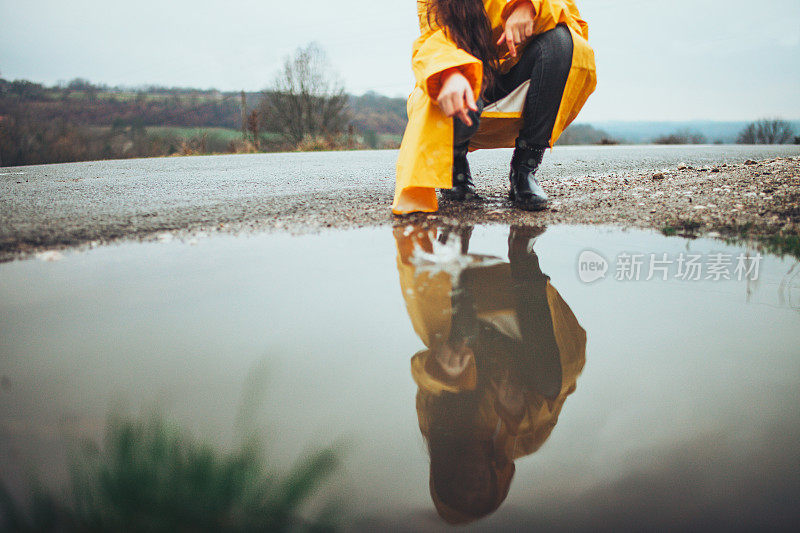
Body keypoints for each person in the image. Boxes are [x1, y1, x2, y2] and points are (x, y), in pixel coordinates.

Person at [394, 224, 587, 523]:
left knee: (448, 339)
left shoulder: (437, 430)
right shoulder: (525, 439)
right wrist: (516, 411)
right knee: (556, 378)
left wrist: (444, 371)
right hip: (518, 318)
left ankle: (454, 249)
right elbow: (559, 389)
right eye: (480, 487)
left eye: (461, 486)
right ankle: (522, 254)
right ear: (496, 479)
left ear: (445, 474)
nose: (471, 479)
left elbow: (423, 379)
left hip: (467, 318)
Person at [392, 1, 597, 215]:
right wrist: (450, 74)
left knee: (561, 41)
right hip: (466, 87)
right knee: (441, 82)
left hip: (511, 81)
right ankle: (454, 165)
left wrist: (529, 6)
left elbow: (573, 19)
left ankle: (524, 171)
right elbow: (431, 39)